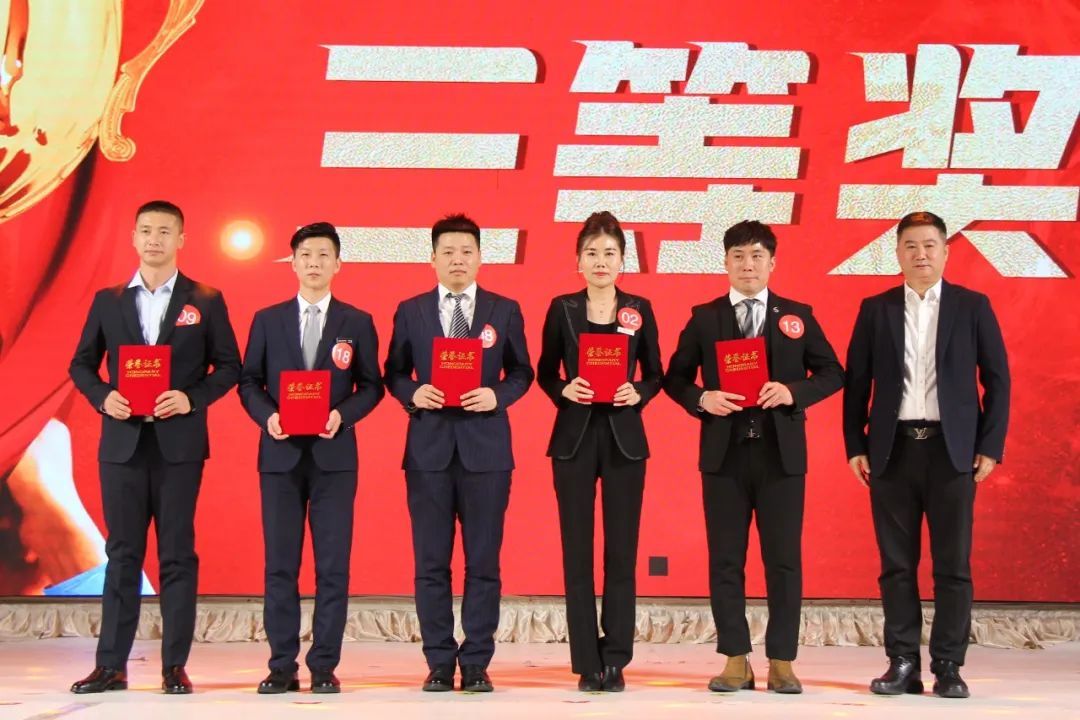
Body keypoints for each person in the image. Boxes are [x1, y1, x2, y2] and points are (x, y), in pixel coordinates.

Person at [68, 200, 241, 694]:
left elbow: (230, 365)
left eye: (165, 231)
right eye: (146, 230)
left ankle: (173, 666)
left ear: (181, 239)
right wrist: (104, 396)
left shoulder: (205, 299)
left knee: (177, 554)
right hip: (122, 445)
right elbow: (81, 364)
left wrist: (190, 398)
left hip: (178, 446)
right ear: (133, 237)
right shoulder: (109, 300)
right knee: (122, 554)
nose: (154, 239)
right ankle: (110, 665)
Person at [664, 220, 843, 694]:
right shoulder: (705, 317)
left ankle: (782, 660)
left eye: (757, 255)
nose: (748, 264)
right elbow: (674, 379)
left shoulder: (797, 315)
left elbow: (832, 372)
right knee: (726, 560)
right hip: (723, 456)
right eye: (739, 256)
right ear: (725, 262)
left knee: (783, 560)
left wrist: (793, 391)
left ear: (772, 262)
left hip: (781, 455)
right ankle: (735, 659)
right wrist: (702, 399)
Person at [843, 211, 1010, 699]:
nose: (920, 254)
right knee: (896, 565)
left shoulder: (972, 306)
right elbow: (857, 383)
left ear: (946, 251)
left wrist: (989, 446)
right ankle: (902, 662)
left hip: (952, 452)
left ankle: (949, 666)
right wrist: (855, 445)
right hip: (892, 451)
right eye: (911, 246)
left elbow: (997, 380)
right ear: (897, 253)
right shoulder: (876, 309)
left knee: (952, 566)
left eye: (930, 245)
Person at [384, 213, 533, 693]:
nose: (457, 259)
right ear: (432, 258)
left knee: (483, 562)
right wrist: (412, 392)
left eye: (466, 251)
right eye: (447, 251)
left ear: (480, 258)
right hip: (428, 451)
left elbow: (522, 372)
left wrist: (498, 395)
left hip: (486, 451)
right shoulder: (411, 310)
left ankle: (476, 662)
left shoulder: (503, 309)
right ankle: (438, 661)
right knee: (431, 563)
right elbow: (393, 372)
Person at [238, 221, 383, 694]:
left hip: (333, 458)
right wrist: (268, 417)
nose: (314, 263)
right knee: (280, 564)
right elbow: (248, 381)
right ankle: (281, 665)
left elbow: (372, 386)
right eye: (306, 255)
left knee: (332, 566)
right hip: (279, 455)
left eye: (323, 255)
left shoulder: (356, 321)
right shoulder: (268, 319)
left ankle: (323, 665)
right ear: (293, 263)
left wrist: (342, 415)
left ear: (338, 264)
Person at [536, 211, 662, 692]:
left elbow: (656, 372)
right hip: (575, 437)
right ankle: (587, 660)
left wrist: (639, 391)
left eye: (610, 252)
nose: (601, 261)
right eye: (592, 253)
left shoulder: (639, 308)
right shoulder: (562, 308)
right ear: (578, 260)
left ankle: (616, 659)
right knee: (577, 551)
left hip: (624, 438)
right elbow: (545, 370)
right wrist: (563, 389)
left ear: (624, 260)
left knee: (622, 551)